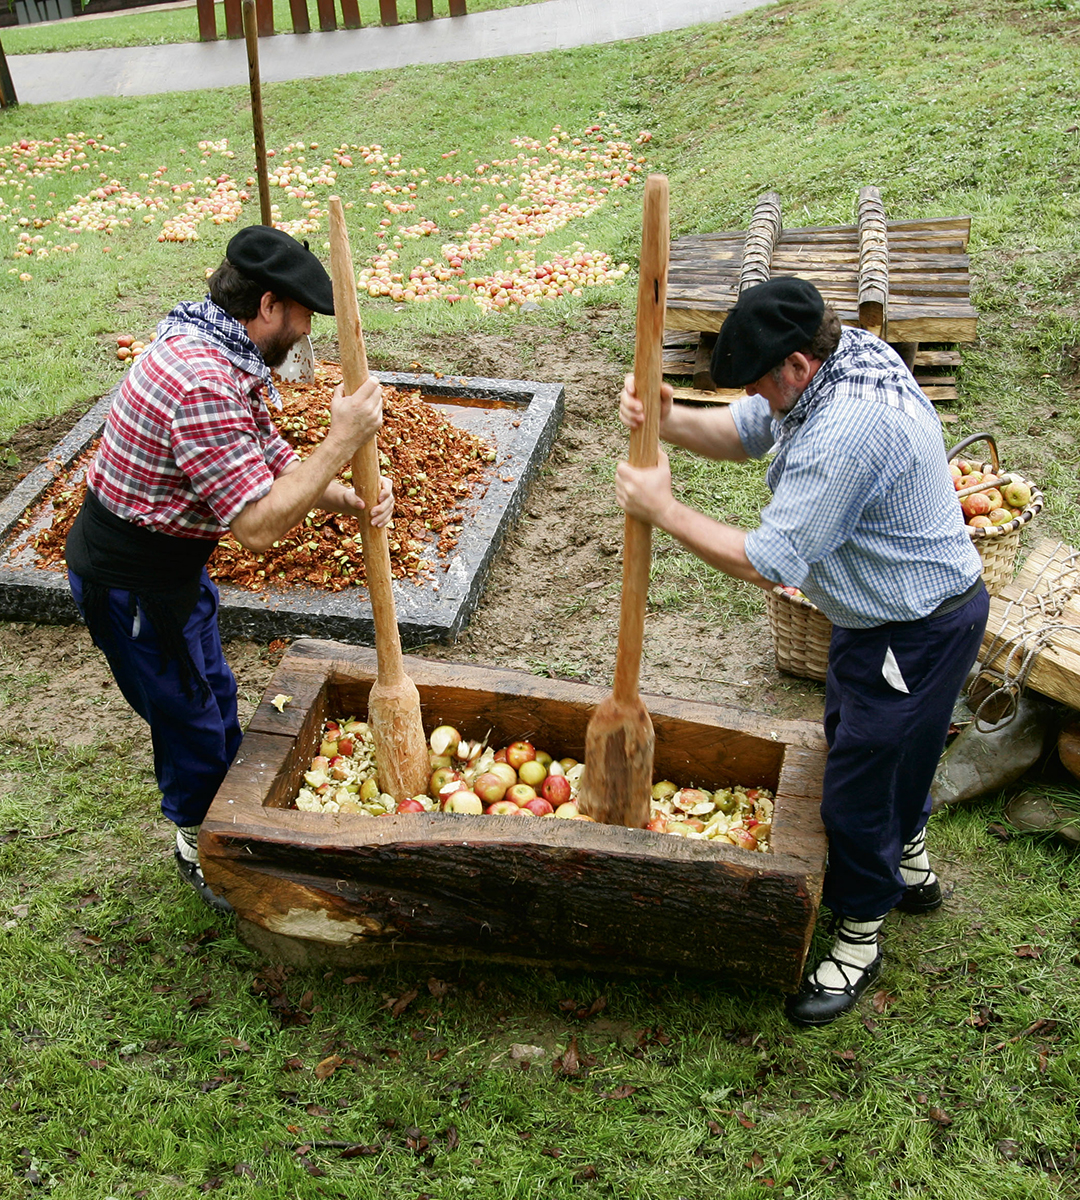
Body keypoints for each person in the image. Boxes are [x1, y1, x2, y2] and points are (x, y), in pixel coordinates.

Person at [616, 276, 989, 1026]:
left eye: (759, 378)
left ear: (796, 363)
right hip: (883, 618)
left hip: (912, 631)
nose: (755, 392)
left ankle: (859, 932)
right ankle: (908, 860)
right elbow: (748, 429)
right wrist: (670, 418)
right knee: (883, 747)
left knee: (855, 786)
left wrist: (664, 508)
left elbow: (771, 559)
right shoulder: (843, 355)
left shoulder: (847, 430)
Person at [65, 225, 394, 913]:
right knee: (190, 719)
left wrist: (350, 498)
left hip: (170, 572)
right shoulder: (201, 381)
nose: (306, 333)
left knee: (210, 694)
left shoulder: (219, 349)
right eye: (304, 315)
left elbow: (268, 460)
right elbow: (257, 528)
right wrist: (341, 440)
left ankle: (224, 817)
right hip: (133, 584)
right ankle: (205, 851)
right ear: (269, 305)